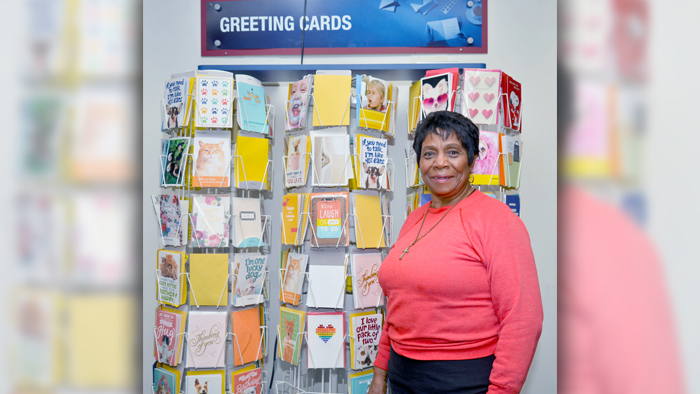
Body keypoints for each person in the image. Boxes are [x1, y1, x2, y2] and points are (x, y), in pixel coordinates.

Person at [368, 111, 543, 394]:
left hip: (463, 382)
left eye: (452, 152)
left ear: (472, 160)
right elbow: (396, 308)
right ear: (419, 163)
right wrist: (380, 375)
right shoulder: (415, 218)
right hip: (401, 378)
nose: (440, 163)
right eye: (429, 154)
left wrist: (501, 391)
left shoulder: (496, 220)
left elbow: (523, 318)